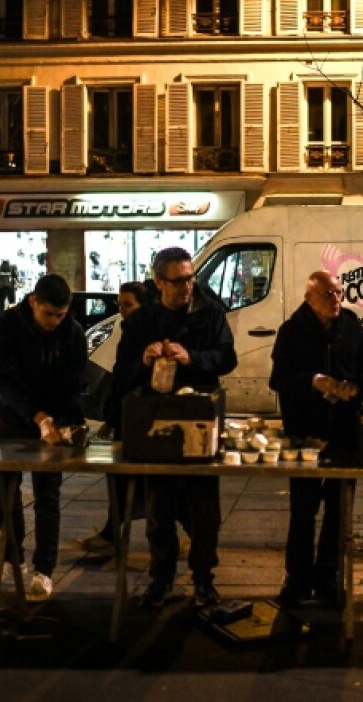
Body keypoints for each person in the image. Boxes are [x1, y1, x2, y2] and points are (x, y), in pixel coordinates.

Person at [107, 247, 237, 608]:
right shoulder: (141, 321)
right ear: (160, 282)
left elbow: (227, 358)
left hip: (199, 419)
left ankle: (204, 578)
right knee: (159, 507)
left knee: (204, 508)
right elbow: (122, 374)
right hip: (157, 421)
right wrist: (143, 359)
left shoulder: (210, 313)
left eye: (190, 278)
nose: (187, 286)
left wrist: (191, 357)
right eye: (178, 281)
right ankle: (160, 578)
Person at [270, 270, 363, 609]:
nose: (335, 299)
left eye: (338, 292)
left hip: (344, 431)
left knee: (339, 510)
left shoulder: (351, 327)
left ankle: (328, 577)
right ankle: (297, 578)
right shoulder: (292, 331)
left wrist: (356, 389)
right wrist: (313, 381)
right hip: (306, 432)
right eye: (327, 294)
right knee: (303, 509)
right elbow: (279, 380)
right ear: (309, 299)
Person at [0, 273, 88, 602]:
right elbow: (5, 382)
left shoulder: (72, 333)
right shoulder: (7, 326)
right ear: (33, 302)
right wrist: (38, 416)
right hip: (12, 419)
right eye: (49, 314)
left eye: (61, 315)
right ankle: (12, 557)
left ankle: (44, 569)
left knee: (48, 495)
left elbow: (73, 383)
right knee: (7, 492)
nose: (54, 322)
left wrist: (61, 421)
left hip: (53, 420)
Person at [77, 280, 155, 554]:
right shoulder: (129, 330)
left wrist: (114, 415)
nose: (122, 310)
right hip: (127, 415)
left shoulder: (146, 333)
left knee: (145, 481)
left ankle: (186, 534)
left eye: (128, 305)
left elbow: (127, 378)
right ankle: (112, 533)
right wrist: (111, 417)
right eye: (120, 304)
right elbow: (120, 377)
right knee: (122, 479)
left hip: (140, 417)